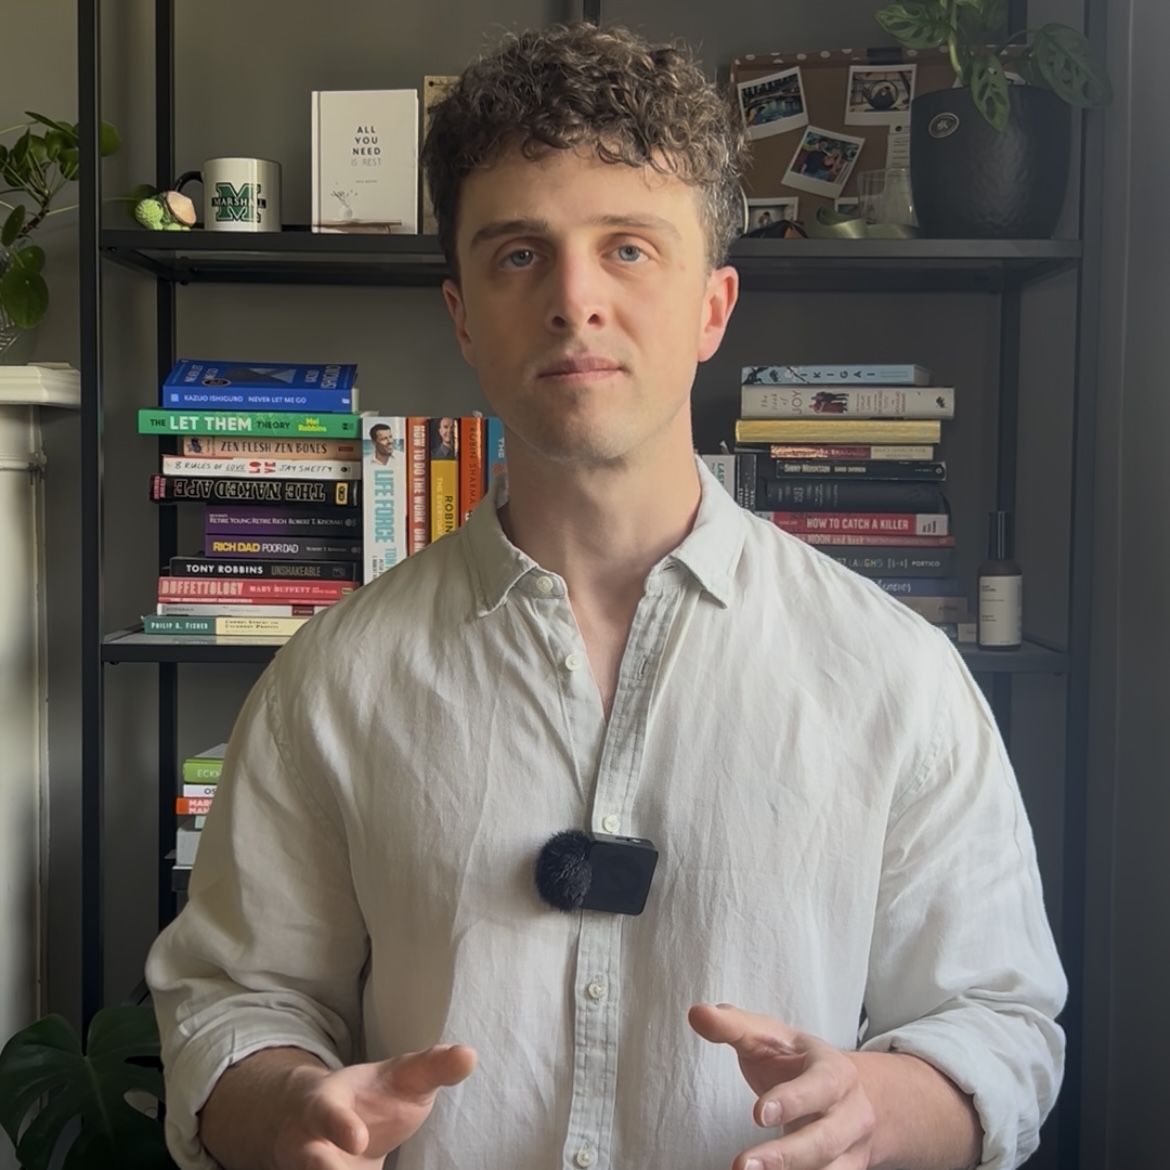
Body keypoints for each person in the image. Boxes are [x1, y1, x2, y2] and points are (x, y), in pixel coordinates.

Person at [146, 21, 1066, 1170]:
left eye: (628, 248)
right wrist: (288, 1111)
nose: (575, 299)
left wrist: (880, 1106)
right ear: (463, 315)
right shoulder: (331, 681)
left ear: (714, 307)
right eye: (518, 254)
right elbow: (232, 1001)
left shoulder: (898, 675)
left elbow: (999, 1026)